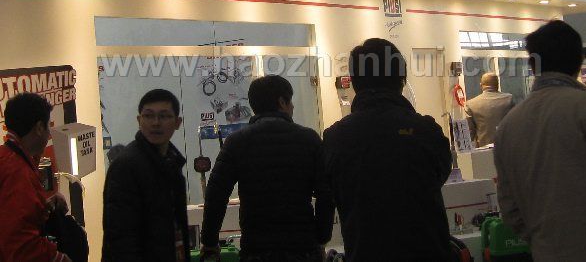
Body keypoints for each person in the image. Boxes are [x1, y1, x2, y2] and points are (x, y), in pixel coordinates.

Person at [323, 38, 452, 262]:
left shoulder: (336, 139)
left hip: (365, 253)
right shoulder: (426, 132)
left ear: (354, 82)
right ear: (401, 80)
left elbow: (332, 191)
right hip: (428, 252)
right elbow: (440, 174)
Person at [494, 20, 586, 261]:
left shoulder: (508, 126)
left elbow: (510, 211)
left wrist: (545, 241)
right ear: (580, 59)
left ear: (532, 64)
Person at [200, 75, 334, 262]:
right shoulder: (309, 139)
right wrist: (321, 237)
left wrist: (209, 241)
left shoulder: (237, 142)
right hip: (302, 248)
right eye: (290, 101)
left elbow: (216, 195)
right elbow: (326, 193)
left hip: (256, 249)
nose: (293, 107)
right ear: (282, 102)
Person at [102, 89, 190, 262]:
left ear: (177, 122)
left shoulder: (172, 162)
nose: (155, 123)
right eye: (148, 116)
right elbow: (121, 238)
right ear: (139, 120)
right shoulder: (126, 166)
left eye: (164, 116)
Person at [0, 93, 72, 262]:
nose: (49, 135)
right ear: (39, 128)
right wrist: (58, 258)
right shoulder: (17, 172)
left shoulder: (6, 157)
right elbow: (20, 244)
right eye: (48, 127)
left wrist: (42, 205)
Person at [464, 73, 514, 147]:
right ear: (497, 84)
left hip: (484, 149)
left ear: (481, 85)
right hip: (508, 147)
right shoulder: (509, 99)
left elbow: (469, 133)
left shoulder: (471, 104)